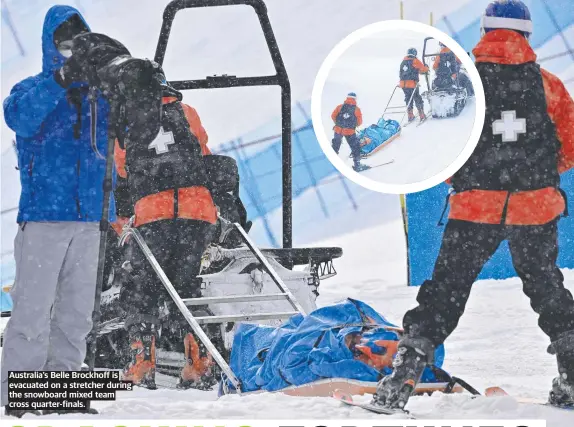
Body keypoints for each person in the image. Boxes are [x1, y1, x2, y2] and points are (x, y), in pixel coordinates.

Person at [372, 0, 574, 411]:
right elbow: (569, 145)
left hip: (474, 208)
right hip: (534, 207)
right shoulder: (548, 84)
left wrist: (466, 182)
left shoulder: (462, 84)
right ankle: (572, 375)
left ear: (484, 32)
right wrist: (537, 178)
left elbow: (439, 148)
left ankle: (401, 379)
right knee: (547, 287)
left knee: (445, 291)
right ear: (527, 34)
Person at [0, 6, 110, 417]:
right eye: (63, 40)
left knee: (77, 312)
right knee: (32, 307)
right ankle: (21, 397)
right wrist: (60, 80)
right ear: (50, 45)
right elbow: (21, 120)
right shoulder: (30, 89)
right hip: (44, 215)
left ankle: (62, 392)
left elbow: (134, 130)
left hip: (89, 219)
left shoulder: (101, 96)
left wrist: (138, 85)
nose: (70, 48)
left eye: (77, 39)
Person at [106, 55, 225, 390]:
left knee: (141, 287)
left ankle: (142, 362)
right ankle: (198, 360)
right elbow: (202, 151)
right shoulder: (187, 112)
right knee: (186, 284)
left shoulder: (126, 124)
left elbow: (123, 169)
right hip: (197, 210)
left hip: (154, 214)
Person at [331, 92, 369, 172]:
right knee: (355, 147)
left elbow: (333, 116)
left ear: (347, 98)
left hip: (338, 130)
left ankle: (331, 162)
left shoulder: (339, 107)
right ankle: (357, 165)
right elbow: (359, 122)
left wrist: (338, 124)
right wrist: (352, 125)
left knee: (335, 147)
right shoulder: (356, 109)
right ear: (355, 99)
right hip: (349, 132)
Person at [399, 48, 429, 123]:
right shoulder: (415, 60)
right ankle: (421, 115)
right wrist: (426, 67)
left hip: (403, 84)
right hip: (412, 84)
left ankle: (410, 115)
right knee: (417, 97)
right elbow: (423, 69)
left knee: (408, 98)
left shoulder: (403, 62)